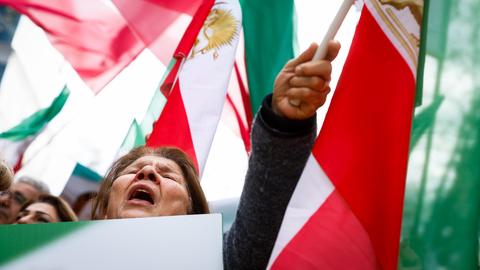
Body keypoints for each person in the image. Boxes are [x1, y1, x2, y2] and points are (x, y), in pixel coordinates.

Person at [92, 41, 340, 269]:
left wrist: (282, 122)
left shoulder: (217, 263)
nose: (147, 172)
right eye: (133, 171)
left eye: (168, 175)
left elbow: (263, 212)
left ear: (191, 219)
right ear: (104, 212)